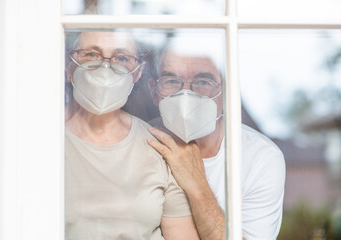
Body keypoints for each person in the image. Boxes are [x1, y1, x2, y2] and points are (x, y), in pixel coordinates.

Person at [64, 31, 200, 240]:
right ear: (68, 65)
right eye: (91, 54)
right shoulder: (41, 139)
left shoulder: (159, 147)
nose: (106, 68)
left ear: (138, 72)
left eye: (121, 58)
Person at [146, 39, 286, 240]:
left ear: (226, 92)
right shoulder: (139, 142)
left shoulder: (260, 158)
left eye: (203, 82)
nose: (186, 94)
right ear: (154, 91)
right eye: (172, 81)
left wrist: (197, 183)